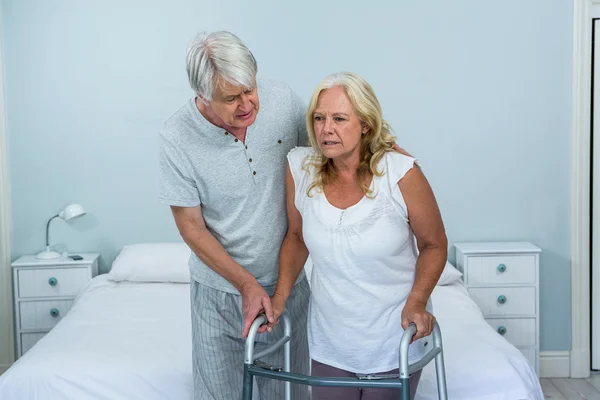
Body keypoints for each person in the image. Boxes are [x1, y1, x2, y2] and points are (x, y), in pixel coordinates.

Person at [267, 71, 448, 400]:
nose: (326, 129)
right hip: (330, 343)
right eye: (319, 118)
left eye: (339, 118)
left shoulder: (400, 172)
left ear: (365, 124)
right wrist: (279, 298)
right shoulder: (301, 168)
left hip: (394, 338)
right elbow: (296, 237)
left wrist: (418, 302)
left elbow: (434, 245)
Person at [158, 30, 311, 399]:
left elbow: (328, 159)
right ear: (202, 96)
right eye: (231, 98)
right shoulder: (176, 136)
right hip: (219, 292)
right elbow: (191, 227)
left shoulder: (285, 102)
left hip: (287, 286)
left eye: (250, 89)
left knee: (288, 395)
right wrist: (245, 283)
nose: (247, 105)